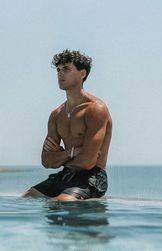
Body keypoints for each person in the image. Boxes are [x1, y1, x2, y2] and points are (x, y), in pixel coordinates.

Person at [21, 49, 112, 201]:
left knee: (60, 202)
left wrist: (61, 156)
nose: (60, 74)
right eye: (58, 69)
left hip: (91, 178)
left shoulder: (95, 109)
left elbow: (87, 162)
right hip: (65, 175)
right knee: (25, 199)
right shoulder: (56, 115)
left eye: (66, 69)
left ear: (82, 74)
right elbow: (46, 160)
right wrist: (73, 152)